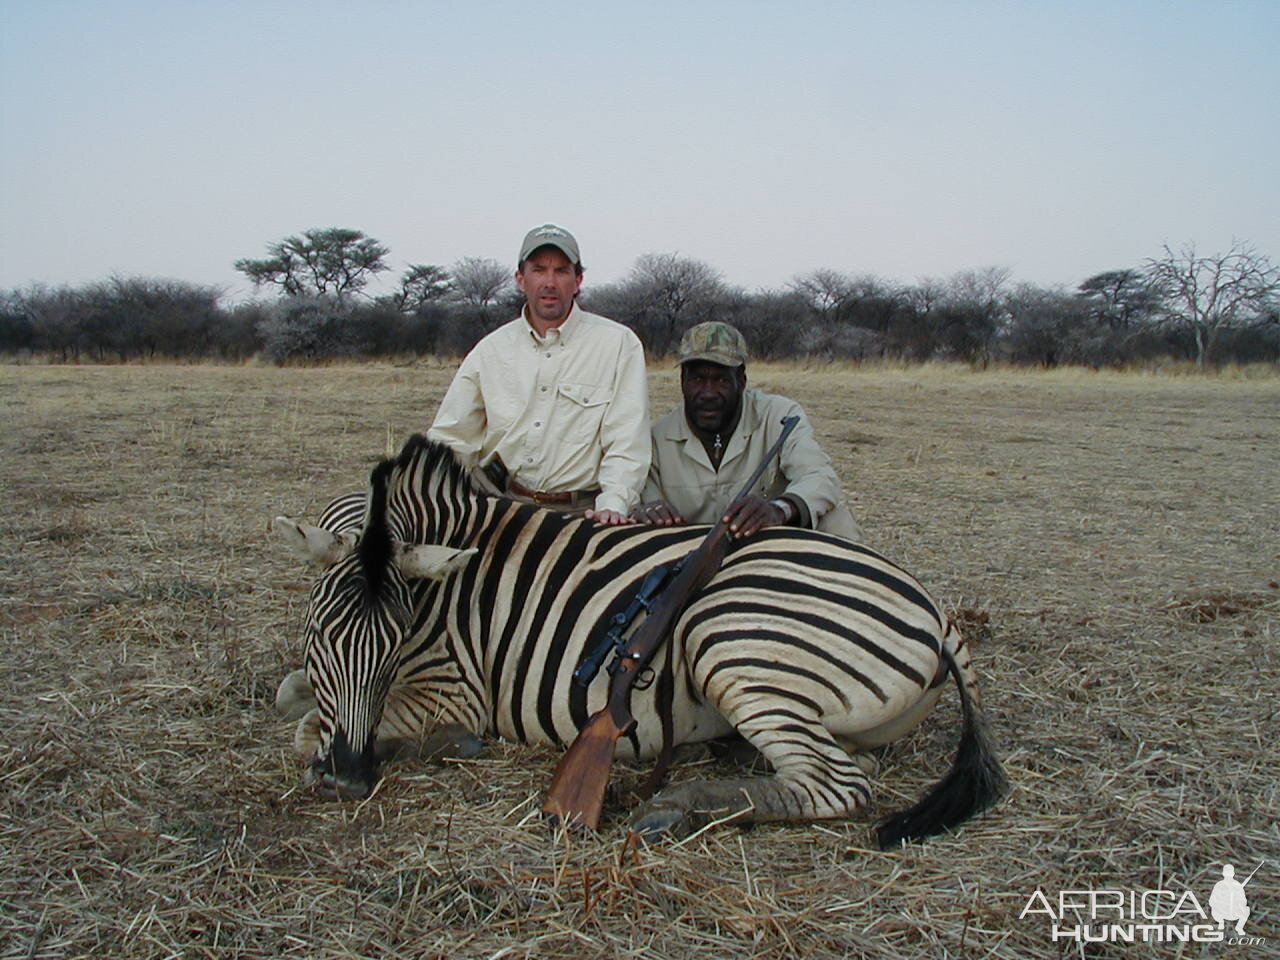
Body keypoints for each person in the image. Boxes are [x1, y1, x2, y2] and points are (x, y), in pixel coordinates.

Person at [429, 224, 648, 525]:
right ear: (521, 279)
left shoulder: (619, 344)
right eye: (539, 270)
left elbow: (626, 441)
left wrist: (613, 504)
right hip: (501, 507)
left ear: (578, 280)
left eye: (561, 271)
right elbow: (452, 440)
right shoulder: (489, 350)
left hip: (581, 514)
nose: (550, 282)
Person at [632, 321, 860, 539]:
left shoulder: (780, 416)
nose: (708, 393)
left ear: (742, 381)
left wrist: (780, 510)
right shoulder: (657, 439)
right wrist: (647, 512)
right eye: (698, 379)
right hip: (693, 556)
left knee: (831, 516)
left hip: (767, 542)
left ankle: (855, 575)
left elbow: (819, 476)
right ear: (683, 381)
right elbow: (641, 501)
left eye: (721, 380)